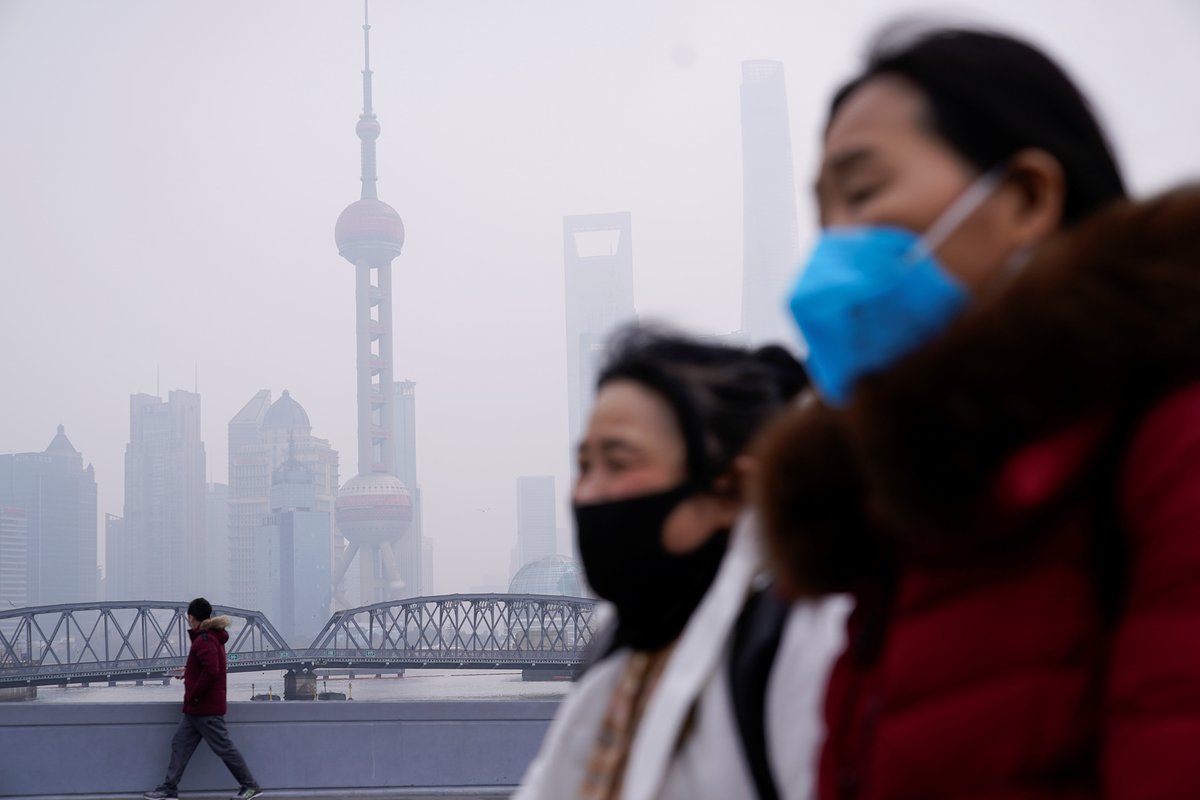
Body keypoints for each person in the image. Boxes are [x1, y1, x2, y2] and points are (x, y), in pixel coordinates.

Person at [755, 22, 1200, 800]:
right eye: (822, 216)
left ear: (1027, 197)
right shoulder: (899, 516)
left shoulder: (1172, 443)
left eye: (861, 193)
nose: (831, 250)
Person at [516, 326, 849, 800]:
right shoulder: (618, 646)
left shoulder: (806, 644)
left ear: (730, 491)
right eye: (585, 465)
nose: (587, 493)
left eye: (619, 462)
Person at [144, 598, 263, 800]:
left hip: (205, 708)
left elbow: (211, 671)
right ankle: (169, 789)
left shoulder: (205, 639)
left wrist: (193, 695)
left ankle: (251, 786)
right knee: (180, 745)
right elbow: (206, 667)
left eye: (188, 619)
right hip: (196, 710)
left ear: (191, 618)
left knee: (224, 748)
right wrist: (188, 671)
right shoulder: (210, 638)